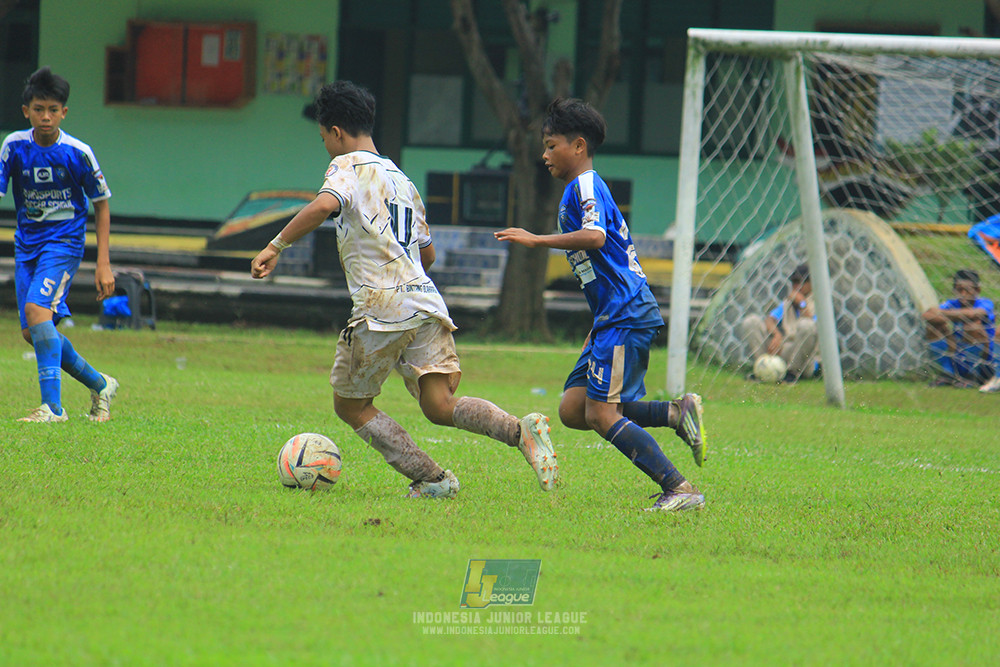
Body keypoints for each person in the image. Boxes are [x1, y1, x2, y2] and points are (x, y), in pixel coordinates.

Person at [250, 80, 557, 499]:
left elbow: (324, 205)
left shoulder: (347, 167)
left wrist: (275, 245)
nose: (325, 146)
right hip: (425, 301)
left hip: (381, 307)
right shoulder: (403, 181)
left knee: (350, 405)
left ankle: (433, 480)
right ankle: (520, 431)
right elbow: (426, 255)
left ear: (336, 132)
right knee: (439, 405)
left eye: (324, 138)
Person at [494, 97, 707, 512]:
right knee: (575, 408)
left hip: (626, 312)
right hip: (612, 314)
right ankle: (675, 413)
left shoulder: (586, 184)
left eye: (551, 145)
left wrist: (536, 240)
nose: (544, 154)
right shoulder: (577, 188)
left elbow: (596, 237)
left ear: (578, 145)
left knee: (602, 415)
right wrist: (597, 320)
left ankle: (681, 489)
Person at [1, 67, 118, 423]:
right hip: (27, 247)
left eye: (53, 109)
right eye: (39, 109)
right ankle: (101, 384)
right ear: (26, 111)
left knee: (38, 313)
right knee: (33, 331)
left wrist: (103, 263)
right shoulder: (13, 146)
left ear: (64, 112)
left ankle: (52, 408)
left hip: (64, 243)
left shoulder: (78, 153)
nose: (46, 116)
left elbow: (101, 204)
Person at [739, 263, 820, 383]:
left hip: (806, 358)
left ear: (811, 283)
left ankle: (793, 374)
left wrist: (802, 304)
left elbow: (814, 329)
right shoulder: (789, 303)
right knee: (751, 321)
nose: (796, 286)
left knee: (806, 325)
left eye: (801, 282)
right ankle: (763, 368)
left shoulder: (820, 303)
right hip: (785, 348)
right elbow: (770, 319)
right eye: (794, 282)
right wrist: (777, 335)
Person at [922, 269, 995, 388]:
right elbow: (927, 314)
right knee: (934, 326)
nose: (963, 294)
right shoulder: (952, 304)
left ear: (977, 290)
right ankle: (948, 373)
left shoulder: (985, 303)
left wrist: (945, 314)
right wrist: (951, 317)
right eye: (959, 289)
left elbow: (973, 314)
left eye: (967, 290)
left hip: (984, 362)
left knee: (972, 326)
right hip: (957, 354)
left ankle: (972, 376)